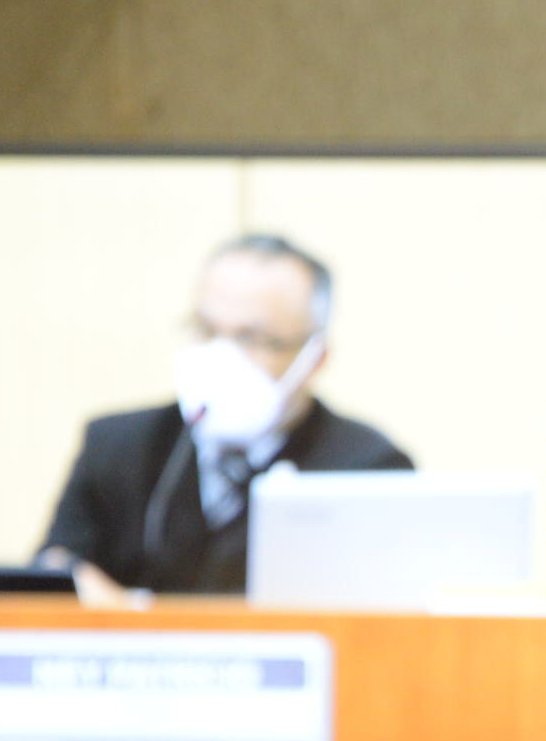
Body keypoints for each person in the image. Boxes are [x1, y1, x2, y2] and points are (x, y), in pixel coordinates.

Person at [35, 233, 410, 597]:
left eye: (252, 338)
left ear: (315, 358)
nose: (222, 357)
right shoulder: (118, 446)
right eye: (206, 330)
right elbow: (53, 572)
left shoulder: (368, 468)